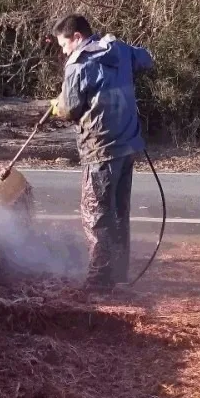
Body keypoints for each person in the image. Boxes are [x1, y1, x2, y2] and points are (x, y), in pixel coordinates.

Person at [49, 14, 154, 290]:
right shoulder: (118, 49)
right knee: (118, 212)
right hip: (127, 145)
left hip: (100, 148)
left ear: (77, 37)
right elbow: (147, 59)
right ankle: (118, 274)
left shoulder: (78, 64)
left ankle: (99, 280)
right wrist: (123, 54)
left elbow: (70, 109)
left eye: (64, 45)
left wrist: (58, 106)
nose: (64, 52)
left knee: (96, 214)